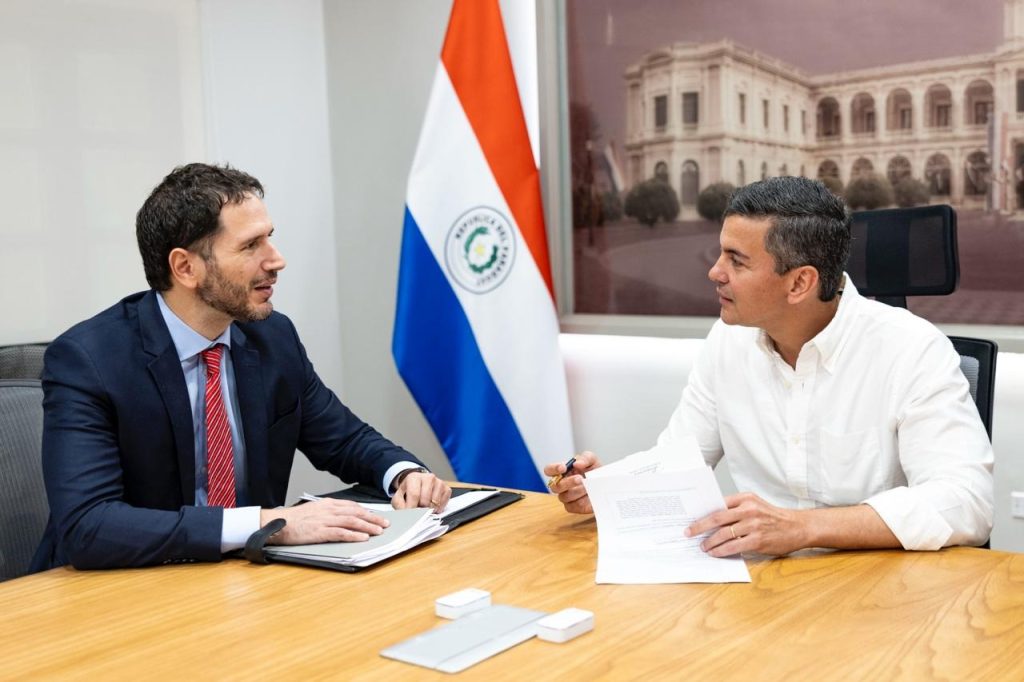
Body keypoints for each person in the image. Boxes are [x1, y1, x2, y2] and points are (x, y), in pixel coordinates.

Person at [32, 163, 451, 571]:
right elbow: (89, 526)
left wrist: (403, 474)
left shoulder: (272, 337)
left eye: (270, 238)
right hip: (121, 589)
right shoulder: (89, 360)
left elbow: (343, 439)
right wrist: (267, 524)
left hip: (242, 579)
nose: (276, 260)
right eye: (251, 246)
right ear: (186, 268)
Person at [546, 176, 993, 555]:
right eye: (721, 253)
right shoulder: (728, 341)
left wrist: (802, 528)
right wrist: (607, 489)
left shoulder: (911, 349)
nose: (715, 272)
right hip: (762, 584)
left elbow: (966, 502)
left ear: (799, 283)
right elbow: (680, 462)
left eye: (736, 260)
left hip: (876, 591)